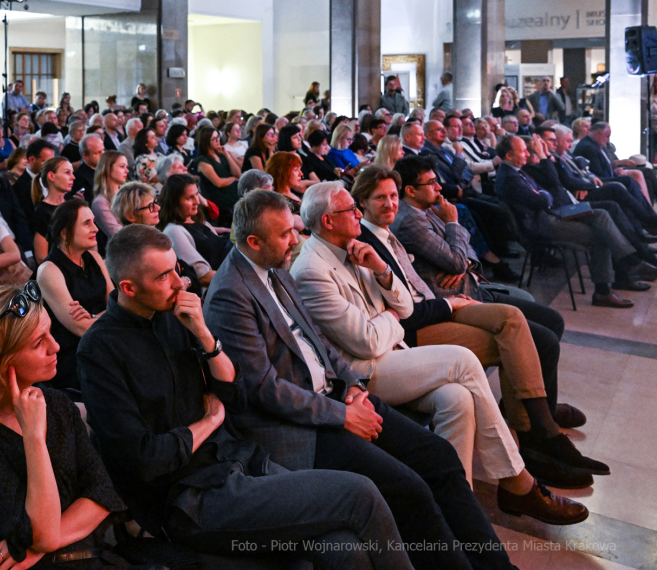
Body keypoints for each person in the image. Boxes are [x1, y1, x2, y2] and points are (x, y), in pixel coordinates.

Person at [203, 190, 523, 570]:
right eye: (286, 234)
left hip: (338, 397)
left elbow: (316, 340)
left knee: (440, 457)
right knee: (411, 489)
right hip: (298, 428)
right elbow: (263, 388)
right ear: (253, 242)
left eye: (293, 230)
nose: (295, 239)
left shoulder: (275, 268)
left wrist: (353, 385)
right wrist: (342, 415)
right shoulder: (230, 293)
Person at [77, 225, 415, 569]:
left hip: (238, 462)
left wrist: (205, 337)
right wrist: (209, 422)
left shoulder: (178, 316)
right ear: (128, 288)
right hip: (189, 498)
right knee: (360, 493)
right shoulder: (99, 350)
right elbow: (145, 459)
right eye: (164, 276)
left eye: (177, 269)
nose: (180, 283)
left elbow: (234, 397)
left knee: (342, 547)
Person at [288, 181, 591, 521]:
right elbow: (368, 342)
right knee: (463, 360)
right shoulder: (311, 270)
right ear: (328, 221)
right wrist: (390, 319)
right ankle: (518, 481)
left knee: (457, 399)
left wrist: (381, 270)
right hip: (364, 373)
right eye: (351, 210)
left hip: (391, 351)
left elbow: (402, 305)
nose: (358, 214)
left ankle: (461, 508)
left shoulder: (356, 249)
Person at [0, 283, 140, 570]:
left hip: (91, 557)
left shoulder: (56, 402)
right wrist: (34, 437)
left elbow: (102, 492)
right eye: (38, 343)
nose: (56, 346)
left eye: (50, 332)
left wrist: (36, 546)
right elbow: (44, 534)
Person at [491, 137, 651, 306]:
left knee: (602, 214)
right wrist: (544, 195)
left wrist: (543, 195)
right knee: (601, 234)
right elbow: (543, 199)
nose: (527, 153)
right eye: (522, 150)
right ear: (509, 155)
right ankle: (605, 289)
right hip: (542, 224)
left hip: (551, 213)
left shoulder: (517, 171)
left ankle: (630, 261)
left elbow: (544, 192)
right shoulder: (509, 177)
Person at [37, 200, 112, 391]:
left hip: (104, 339)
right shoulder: (49, 270)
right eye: (87, 223)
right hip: (71, 354)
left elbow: (117, 303)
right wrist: (109, 314)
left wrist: (95, 316)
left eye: (94, 222)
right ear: (65, 232)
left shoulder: (94, 257)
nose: (95, 228)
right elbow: (80, 328)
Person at [158, 174, 230, 287]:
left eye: (197, 194)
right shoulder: (173, 231)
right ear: (174, 202)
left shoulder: (198, 220)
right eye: (189, 198)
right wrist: (238, 280)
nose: (197, 201)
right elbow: (202, 276)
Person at [194, 125, 240, 227]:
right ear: (206, 142)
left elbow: (238, 173)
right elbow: (218, 183)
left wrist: (227, 155)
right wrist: (233, 179)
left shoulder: (221, 154)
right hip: (221, 196)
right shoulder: (203, 161)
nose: (218, 140)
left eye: (218, 137)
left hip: (232, 191)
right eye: (214, 139)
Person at [90, 151, 129, 250]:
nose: (127, 171)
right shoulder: (100, 202)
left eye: (126, 166)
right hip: (120, 252)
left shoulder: (128, 193)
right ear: (108, 168)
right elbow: (118, 233)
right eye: (122, 166)